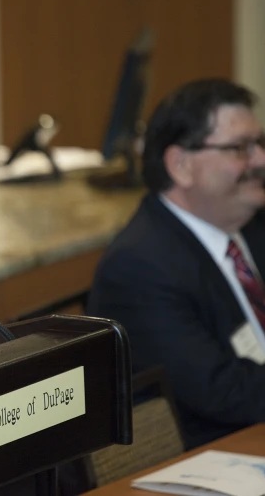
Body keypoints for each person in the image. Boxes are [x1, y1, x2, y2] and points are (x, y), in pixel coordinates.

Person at [88, 78, 265, 448]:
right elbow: (223, 393)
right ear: (180, 165)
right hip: (220, 451)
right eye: (240, 148)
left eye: (259, 143)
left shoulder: (250, 224)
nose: (260, 159)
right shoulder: (140, 268)